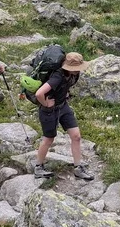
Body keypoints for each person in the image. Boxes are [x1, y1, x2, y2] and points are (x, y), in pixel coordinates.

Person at [32, 52, 94, 181]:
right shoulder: (58, 76)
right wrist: (46, 103)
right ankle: (38, 167)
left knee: (76, 136)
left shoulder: (73, 75)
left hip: (63, 106)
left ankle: (78, 168)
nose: (78, 70)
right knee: (49, 139)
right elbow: (39, 94)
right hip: (49, 110)